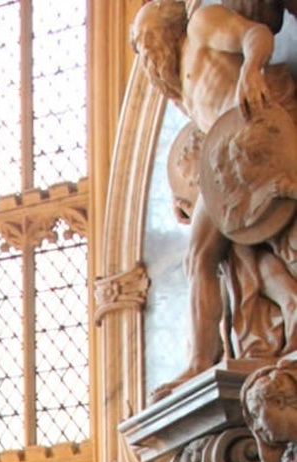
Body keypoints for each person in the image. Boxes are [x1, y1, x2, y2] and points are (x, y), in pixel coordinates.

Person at [131, 1, 297, 394]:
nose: (143, 45)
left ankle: (205, 358)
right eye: (139, 43)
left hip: (259, 134)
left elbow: (257, 35)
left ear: (168, 19)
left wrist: (251, 71)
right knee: (213, 257)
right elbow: (203, 138)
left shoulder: (203, 25)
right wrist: (186, 196)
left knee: (217, 252)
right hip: (226, 164)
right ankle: (203, 360)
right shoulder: (179, 86)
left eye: (146, 32)